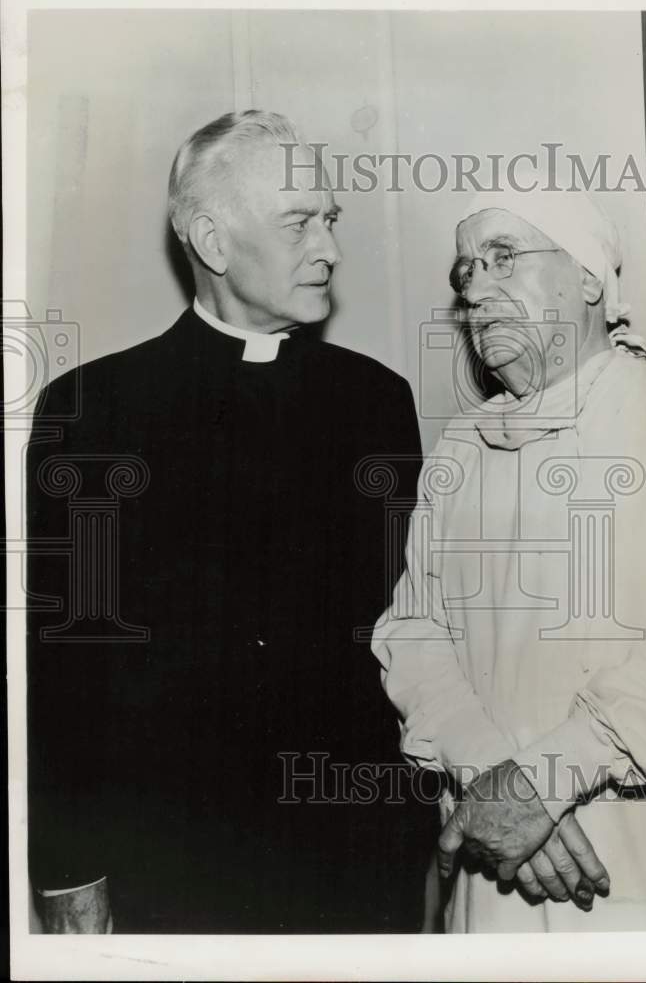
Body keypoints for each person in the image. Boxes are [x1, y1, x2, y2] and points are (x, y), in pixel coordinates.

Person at [27, 110, 434, 933]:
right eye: (299, 222)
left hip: (355, 854)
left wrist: (411, 826)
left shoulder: (376, 399)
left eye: (330, 219)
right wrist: (69, 866)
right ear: (213, 242)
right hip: (174, 859)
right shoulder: (93, 409)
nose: (329, 247)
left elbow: (407, 624)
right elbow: (67, 659)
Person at [372, 174, 646, 932]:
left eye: (501, 256)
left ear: (585, 278)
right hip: (499, 854)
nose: (475, 288)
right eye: (465, 271)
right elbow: (414, 634)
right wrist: (491, 775)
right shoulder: (458, 450)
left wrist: (548, 779)